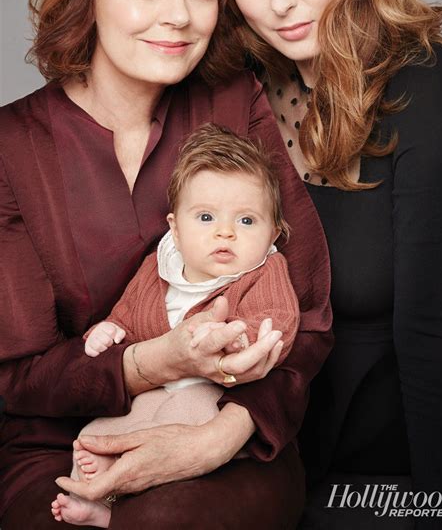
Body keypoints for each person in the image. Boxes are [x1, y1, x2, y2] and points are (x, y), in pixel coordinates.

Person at [0, 0, 333, 530]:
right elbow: (15, 376)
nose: (179, 15)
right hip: (58, 442)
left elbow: (311, 312)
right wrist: (152, 363)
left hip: (234, 427)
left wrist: (218, 435)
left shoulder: (234, 101)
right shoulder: (11, 145)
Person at [213, 0, 442, 528]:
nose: (278, 2)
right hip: (258, 441)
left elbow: (427, 318)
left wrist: (436, 498)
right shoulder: (240, 92)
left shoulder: (426, 83)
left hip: (378, 458)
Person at [51, 123, 300, 527]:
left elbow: (279, 321)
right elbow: (128, 310)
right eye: (205, 217)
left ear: (273, 231)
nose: (225, 232)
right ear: (175, 227)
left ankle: (121, 502)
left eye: (247, 221)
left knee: (180, 422)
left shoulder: (264, 270)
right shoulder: (159, 266)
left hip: (210, 393)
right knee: (100, 434)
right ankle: (98, 497)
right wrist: (110, 328)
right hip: (154, 387)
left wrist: (240, 341)